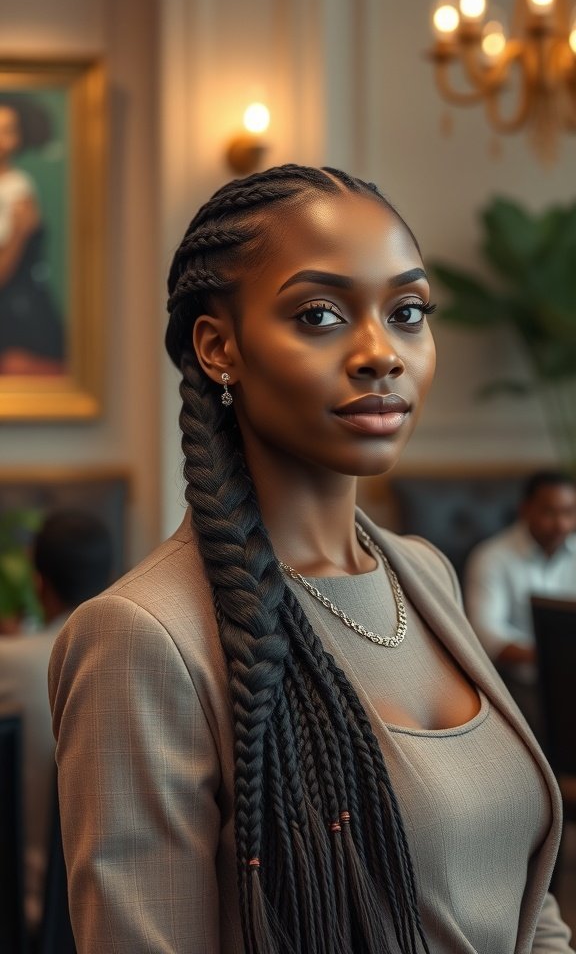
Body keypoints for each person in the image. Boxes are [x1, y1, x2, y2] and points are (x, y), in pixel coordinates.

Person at [49, 165, 573, 953]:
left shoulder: (424, 574)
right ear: (219, 348)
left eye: (407, 312)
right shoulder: (143, 638)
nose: (381, 354)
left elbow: (525, 901)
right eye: (320, 314)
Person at [0, 509, 113, 939]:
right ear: (110, 578)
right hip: (103, 924)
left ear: (38, 582)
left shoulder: (9, 662)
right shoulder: (133, 662)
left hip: (19, 922)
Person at [464, 469, 576, 735]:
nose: (561, 524)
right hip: (521, 681)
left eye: (569, 513)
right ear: (525, 510)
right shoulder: (491, 557)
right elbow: (486, 632)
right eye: (550, 513)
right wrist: (553, 657)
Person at [0, 92, 65, 375]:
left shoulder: (18, 189)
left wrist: (18, 234)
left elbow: (5, 269)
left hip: (16, 318)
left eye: (7, 131)